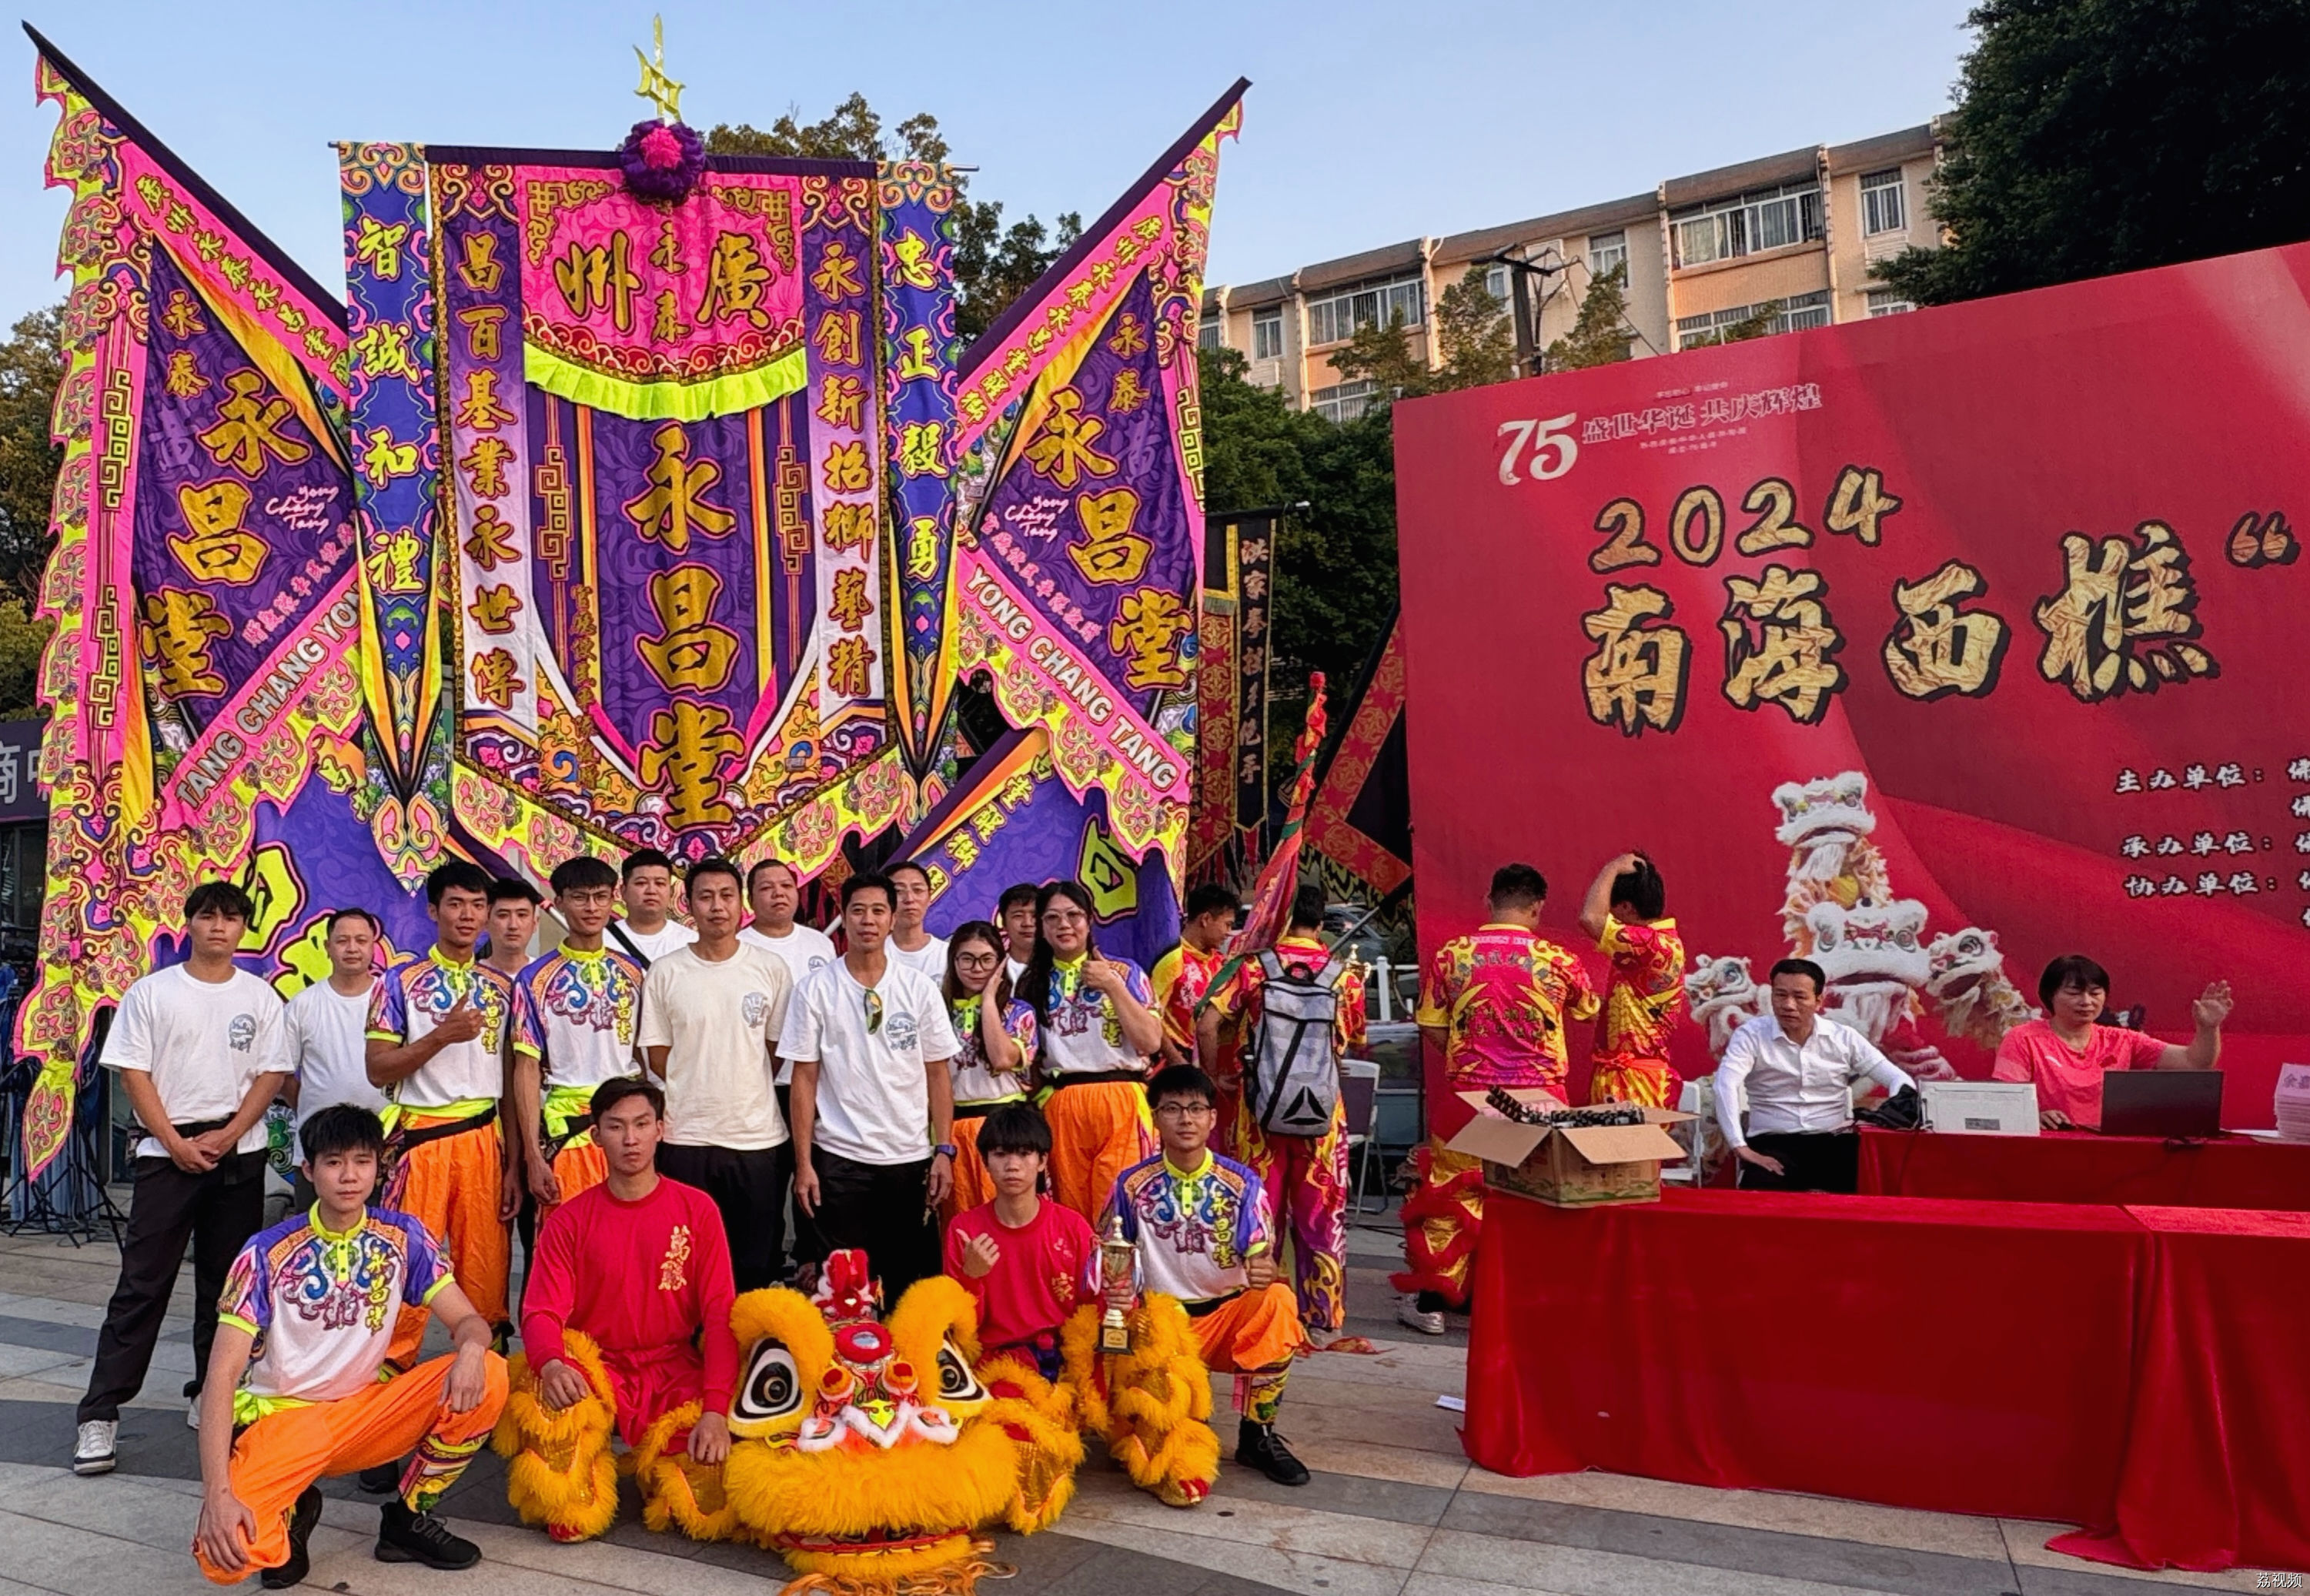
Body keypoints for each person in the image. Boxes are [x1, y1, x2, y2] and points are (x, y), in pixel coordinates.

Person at [192, 1105, 507, 1587]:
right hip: (284, 1419)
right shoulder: (264, 1254)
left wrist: (469, 1350)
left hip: (367, 1411)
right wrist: (216, 1494)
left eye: (362, 1161)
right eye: (334, 1162)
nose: (349, 1176)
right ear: (309, 1171)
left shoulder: (404, 1239)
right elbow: (220, 1379)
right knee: (225, 1558)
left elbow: (468, 1320)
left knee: (491, 1373)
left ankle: (407, 1518)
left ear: (380, 1168)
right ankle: (293, 1509)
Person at [74, 881, 290, 1476]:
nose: (219, 927)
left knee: (228, 1291)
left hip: (237, 1154)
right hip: (164, 1153)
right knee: (143, 1284)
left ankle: (211, 1396)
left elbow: (271, 1075)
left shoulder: (261, 996)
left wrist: (227, 1136)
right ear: (189, 923)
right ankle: (100, 1413)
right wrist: (173, 1142)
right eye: (207, 916)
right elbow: (133, 1074)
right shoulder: (152, 992)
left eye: (230, 918)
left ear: (244, 929)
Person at [506, 1077, 737, 1543]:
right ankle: (586, 1473)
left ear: (661, 1130)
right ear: (596, 1135)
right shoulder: (570, 1218)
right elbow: (540, 1312)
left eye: (641, 1125)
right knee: (546, 1407)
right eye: (616, 1127)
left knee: (707, 1506)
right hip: (598, 1366)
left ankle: (661, 1466)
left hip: (673, 1367)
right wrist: (551, 1364)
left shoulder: (698, 1210)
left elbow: (719, 1314)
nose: (630, 1139)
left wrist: (716, 1409)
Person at [1392, 863, 1597, 1335]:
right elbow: (1587, 1011)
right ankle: (1520, 1301)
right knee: (1529, 1199)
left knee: (1452, 1195)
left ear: (1490, 899)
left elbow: (1429, 1022)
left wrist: (1464, 1055)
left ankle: (1433, 1303)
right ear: (1538, 907)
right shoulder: (1558, 959)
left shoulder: (1454, 955)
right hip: (1540, 1098)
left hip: (1469, 1095)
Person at [1107, 1065, 1309, 1489]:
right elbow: (1112, 1252)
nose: (1186, 1119)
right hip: (1161, 1326)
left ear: (1212, 1118)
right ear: (1155, 1117)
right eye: (1173, 1109)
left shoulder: (1242, 1183)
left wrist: (1263, 1268)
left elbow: (1260, 1254)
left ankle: (1258, 1434)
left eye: (1197, 1108)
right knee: (1162, 1447)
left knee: (1276, 1302)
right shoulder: (1131, 1185)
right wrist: (1117, 1287)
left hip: (1224, 1321)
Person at [781, 871, 961, 1302]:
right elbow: (803, 1079)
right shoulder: (816, 989)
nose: (868, 920)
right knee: (843, 1287)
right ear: (842, 917)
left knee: (904, 1282)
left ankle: (902, 1368)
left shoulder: (918, 989)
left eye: (878, 911)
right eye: (858, 911)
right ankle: (844, 1370)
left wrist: (944, 1150)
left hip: (909, 1156)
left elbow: (938, 1073)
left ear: (892, 917)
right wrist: (803, 1164)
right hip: (840, 1157)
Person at [1198, 883, 1366, 1340]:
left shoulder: (1252, 969)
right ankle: (1322, 1311)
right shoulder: (1343, 976)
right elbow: (1356, 1039)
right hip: (1323, 1120)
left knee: (1259, 1212)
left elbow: (1207, 1022)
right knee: (1321, 1216)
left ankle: (1256, 1304)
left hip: (1260, 1112)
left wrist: (1216, 1077)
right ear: (1319, 922)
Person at [366, 860, 516, 1365]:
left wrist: (516, 1160)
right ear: (433, 910)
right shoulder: (397, 981)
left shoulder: (503, 986)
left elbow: (516, 1083)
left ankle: (488, 1379)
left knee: (486, 1268)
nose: (468, 915)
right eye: (456, 904)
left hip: (484, 1140)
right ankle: (388, 1381)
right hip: (420, 1142)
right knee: (408, 1264)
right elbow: (378, 1069)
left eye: (478, 906)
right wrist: (439, 1037)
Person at [636, 856, 794, 1291]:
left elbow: (776, 1051)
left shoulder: (770, 969)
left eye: (726, 896)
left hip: (756, 1140)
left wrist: (738, 1076)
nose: (717, 907)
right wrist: (698, 1079)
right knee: (685, 1265)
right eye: (705, 897)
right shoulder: (666, 972)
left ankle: (745, 1356)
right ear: (687, 905)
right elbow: (657, 1052)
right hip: (687, 1138)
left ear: (741, 903)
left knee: (754, 1264)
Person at [1020, 880, 1163, 1223]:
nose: (1064, 925)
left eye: (1073, 915)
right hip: (1062, 1103)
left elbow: (1151, 1042)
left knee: (1118, 1211)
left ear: (1090, 920)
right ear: (1041, 927)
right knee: (1070, 1214)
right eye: (1052, 918)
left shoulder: (1125, 972)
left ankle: (1122, 1279)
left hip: (1122, 1099)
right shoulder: (1030, 983)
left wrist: (1113, 986)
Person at [512, 856, 645, 1218]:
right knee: (568, 1245)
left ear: (613, 901)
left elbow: (644, 1057)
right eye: (580, 897)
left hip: (627, 1126)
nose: (591, 908)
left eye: (601, 897)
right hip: (566, 1128)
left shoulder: (635, 974)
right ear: (558, 902)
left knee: (630, 1242)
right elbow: (525, 1067)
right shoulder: (534, 979)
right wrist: (533, 1156)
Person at [1715, 958, 1917, 1193]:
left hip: (1834, 1143)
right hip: (1773, 1144)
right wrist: (1740, 1147)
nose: (1788, 1005)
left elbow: (1899, 1081)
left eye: (1800, 997)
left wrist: (1891, 1115)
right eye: (1780, 995)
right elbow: (1725, 1085)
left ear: (1818, 1001)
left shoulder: (1843, 1037)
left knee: (1876, 1189)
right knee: (1761, 1200)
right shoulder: (1751, 1035)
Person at [942, 1104, 1095, 1381]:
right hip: (996, 1366)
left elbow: (1092, 1305)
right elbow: (961, 1330)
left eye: (1024, 1154)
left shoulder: (1072, 1227)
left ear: (1042, 1161)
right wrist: (971, 1279)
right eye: (1000, 1155)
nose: (1012, 1166)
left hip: (1066, 1361)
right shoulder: (965, 1230)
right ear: (985, 1162)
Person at [1992, 955, 2233, 1130]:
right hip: (2049, 1145)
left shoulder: (2122, 1039)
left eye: (2095, 993)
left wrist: (2208, 1028)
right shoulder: (2023, 1038)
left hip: (2110, 1148)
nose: (2086, 1001)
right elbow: (2004, 1101)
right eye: (2075, 993)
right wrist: (2036, 1115)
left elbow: (2194, 1063)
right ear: (2050, 996)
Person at [1576, 851, 1689, 1107]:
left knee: (1629, 1147)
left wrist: (1612, 867)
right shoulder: (1652, 944)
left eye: (1613, 910)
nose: (1611, 918)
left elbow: (1590, 918)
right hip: (1621, 1075)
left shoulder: (1652, 944)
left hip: (1636, 1081)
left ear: (1626, 907)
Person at [940, 921, 1038, 1218]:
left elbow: (1002, 1058)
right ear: (953, 961)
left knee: (1007, 1217)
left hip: (1004, 1127)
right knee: (959, 1220)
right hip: (953, 1128)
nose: (976, 968)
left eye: (986, 959)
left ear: (1001, 961)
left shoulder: (1018, 1012)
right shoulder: (939, 1010)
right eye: (966, 958)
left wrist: (988, 1002)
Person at [282, 909, 386, 1188]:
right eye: (342, 941)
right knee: (314, 1230)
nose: (352, 948)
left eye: (361, 940)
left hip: (386, 1148)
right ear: (327, 947)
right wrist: (313, 1106)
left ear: (373, 946)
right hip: (319, 1149)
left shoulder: (392, 1000)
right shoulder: (303, 1004)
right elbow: (282, 1073)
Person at [1152, 882, 1236, 1071]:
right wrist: (1176, 1060)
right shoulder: (1172, 960)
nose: (1228, 933)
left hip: (1213, 1064)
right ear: (1206, 919)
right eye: (1227, 924)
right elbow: (1152, 1016)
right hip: (1176, 1063)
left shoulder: (1221, 963)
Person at [739, 858, 838, 980]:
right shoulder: (737, 947)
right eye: (766, 888)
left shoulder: (821, 942)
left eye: (786, 885)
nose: (779, 893)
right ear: (750, 900)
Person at [610, 848, 695, 965]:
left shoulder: (691, 943)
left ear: (671, 892)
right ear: (623, 891)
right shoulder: (603, 941)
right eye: (641, 883)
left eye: (660, 883)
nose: (651, 891)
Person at [884, 860, 949, 978]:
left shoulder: (947, 955)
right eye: (898, 891)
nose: (909, 899)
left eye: (918, 890)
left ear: (929, 897)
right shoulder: (875, 954)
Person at [484, 877, 541, 978]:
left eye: (522, 915)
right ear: (486, 922)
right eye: (503, 915)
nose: (513, 925)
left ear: (535, 923)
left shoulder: (546, 978)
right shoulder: (470, 979)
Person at [997, 882, 1041, 985]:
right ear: (1004, 924)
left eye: (1034, 916)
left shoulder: (1059, 969)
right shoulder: (992, 970)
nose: (1027, 923)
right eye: (1018, 916)